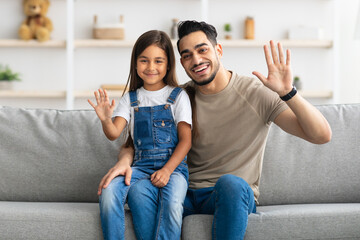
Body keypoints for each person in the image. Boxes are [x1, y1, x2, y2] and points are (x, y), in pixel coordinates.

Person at [98, 21, 332, 240]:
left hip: (227, 194)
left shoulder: (255, 93)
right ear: (181, 64)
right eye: (187, 55)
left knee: (231, 183)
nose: (196, 60)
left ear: (218, 50)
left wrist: (288, 92)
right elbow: (135, 140)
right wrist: (124, 161)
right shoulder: (180, 96)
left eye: (202, 50)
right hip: (183, 191)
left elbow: (321, 135)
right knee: (141, 191)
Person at [88, 30, 192, 240]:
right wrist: (105, 119)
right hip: (140, 167)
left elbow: (186, 140)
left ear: (168, 64)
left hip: (174, 169)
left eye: (158, 61)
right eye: (144, 61)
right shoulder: (130, 99)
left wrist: (167, 170)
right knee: (108, 190)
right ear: (135, 64)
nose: (151, 67)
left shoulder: (178, 96)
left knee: (172, 205)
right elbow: (114, 133)